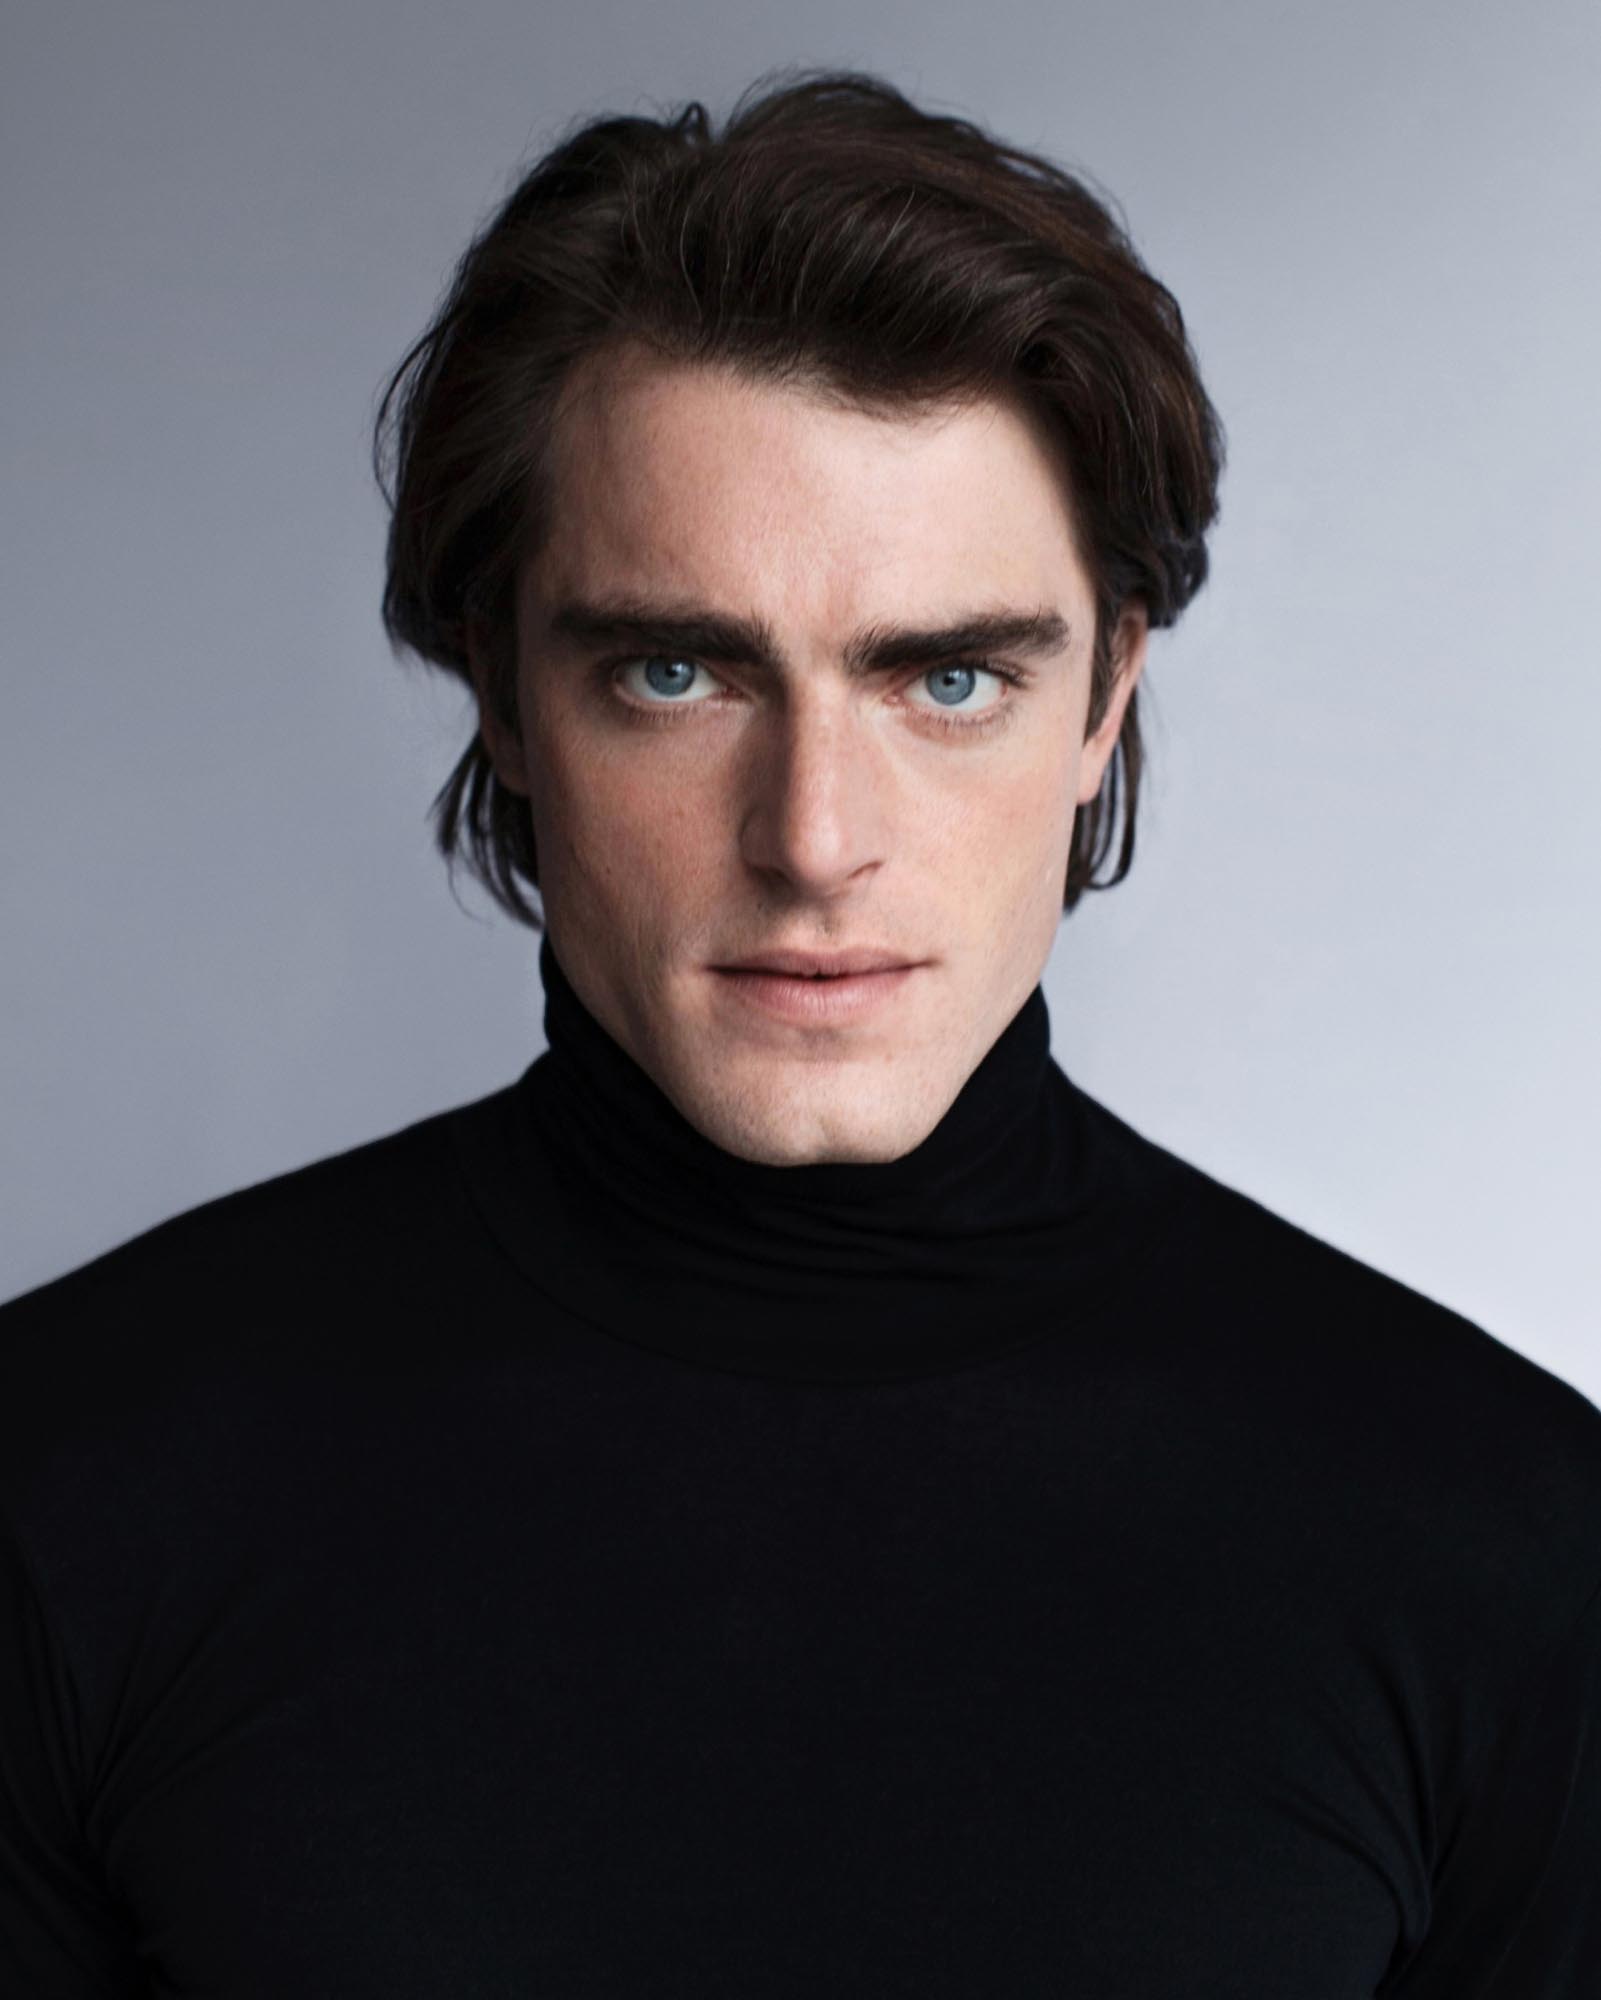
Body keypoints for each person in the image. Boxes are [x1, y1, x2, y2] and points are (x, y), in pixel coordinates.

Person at [2, 68, 1597, 1998]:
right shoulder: (66, 1480)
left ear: (1103, 698)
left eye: (947, 679)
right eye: (675, 672)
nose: (814, 839)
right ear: (504, 694)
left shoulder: (1509, 1540)